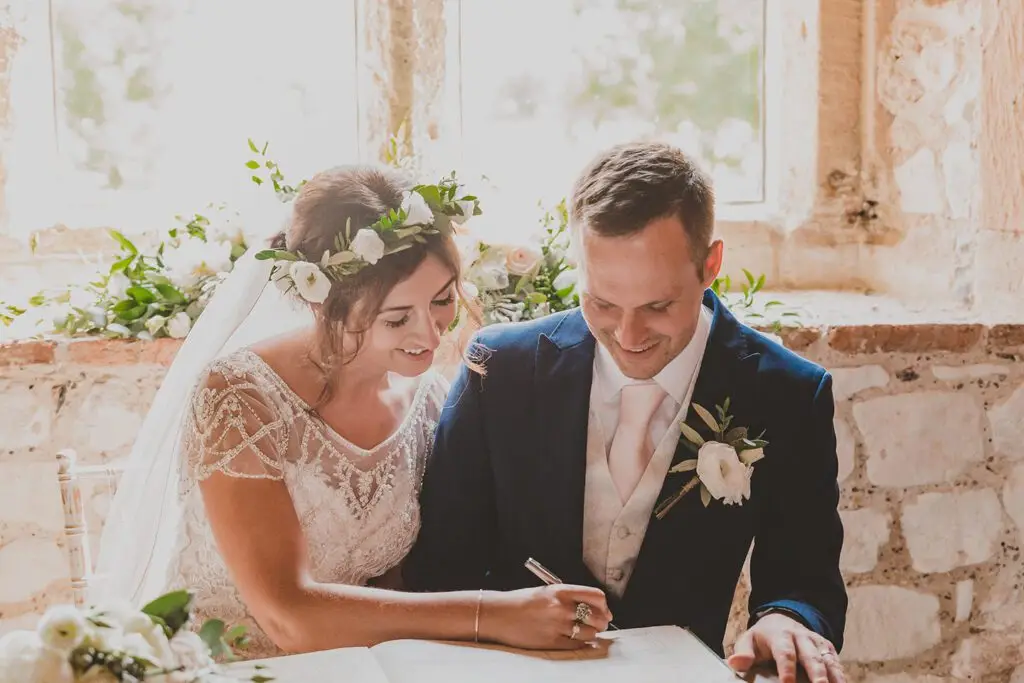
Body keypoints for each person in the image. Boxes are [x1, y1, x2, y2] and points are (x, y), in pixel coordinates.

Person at [92, 165, 611, 659]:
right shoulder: (240, 397)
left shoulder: (428, 401)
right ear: (323, 303)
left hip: (365, 664)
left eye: (442, 299)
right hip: (238, 665)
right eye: (396, 317)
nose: (429, 334)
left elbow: (403, 584)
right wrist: (490, 615)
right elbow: (286, 617)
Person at [403, 142, 848, 683]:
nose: (628, 336)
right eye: (603, 303)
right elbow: (438, 569)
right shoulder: (500, 368)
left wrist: (784, 621)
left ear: (710, 265)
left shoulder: (788, 393)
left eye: (657, 306)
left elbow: (806, 581)